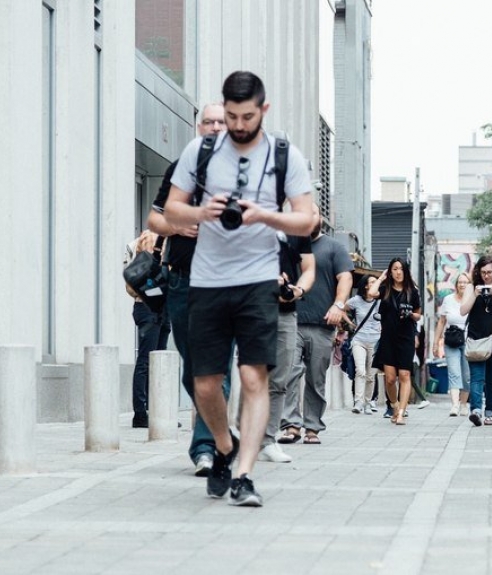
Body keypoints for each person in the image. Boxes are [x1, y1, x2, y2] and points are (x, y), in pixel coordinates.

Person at [164, 71, 318, 506]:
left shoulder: (286, 155)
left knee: (253, 377)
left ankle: (244, 475)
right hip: (208, 280)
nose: (237, 125)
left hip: (257, 279)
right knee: (206, 384)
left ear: (263, 110)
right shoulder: (202, 149)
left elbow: (307, 220)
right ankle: (224, 447)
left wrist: (264, 216)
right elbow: (171, 209)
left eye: (246, 116)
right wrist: (200, 212)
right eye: (230, 116)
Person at [147, 102, 229, 475]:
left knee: (217, 368)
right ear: (199, 127)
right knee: (193, 369)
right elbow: (153, 218)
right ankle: (216, 430)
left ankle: (206, 448)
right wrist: (177, 227)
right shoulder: (181, 170)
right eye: (207, 121)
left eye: (220, 122)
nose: (213, 127)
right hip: (182, 279)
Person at [280, 204, 355, 444]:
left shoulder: (334, 248)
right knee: (289, 374)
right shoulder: (287, 246)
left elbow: (345, 277)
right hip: (290, 320)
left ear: (320, 217)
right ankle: (292, 425)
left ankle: (312, 427)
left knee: (316, 378)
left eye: (312, 213)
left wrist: (339, 305)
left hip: (323, 325)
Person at [258, 229, 315, 463]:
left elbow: (309, 268)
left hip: (286, 313)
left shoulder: (295, 227)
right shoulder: (247, 218)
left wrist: (297, 290)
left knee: (280, 379)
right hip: (252, 308)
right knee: (253, 376)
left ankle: (268, 442)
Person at [123, 230, 171, 429]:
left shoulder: (152, 239)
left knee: (157, 362)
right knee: (147, 361)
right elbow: (145, 277)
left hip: (155, 306)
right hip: (149, 306)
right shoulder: (151, 240)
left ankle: (154, 412)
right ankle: (141, 414)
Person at [460, 255, 492, 426]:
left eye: (489, 272)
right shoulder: (471, 288)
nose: (486, 276)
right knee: (476, 377)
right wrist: (474, 295)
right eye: (483, 272)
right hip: (476, 339)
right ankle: (476, 410)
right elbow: (463, 311)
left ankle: (489, 412)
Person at [371, 258, 422, 424]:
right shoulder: (385, 289)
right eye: (394, 269)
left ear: (405, 271)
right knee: (390, 379)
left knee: (404, 374)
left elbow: (418, 314)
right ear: (390, 272)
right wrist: (381, 278)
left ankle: (401, 412)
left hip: (406, 337)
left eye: (401, 269)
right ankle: (394, 404)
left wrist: (411, 314)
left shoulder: (412, 292)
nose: (398, 272)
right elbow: (371, 293)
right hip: (388, 338)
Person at [434, 273, 472, 416]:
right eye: (460, 282)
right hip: (451, 340)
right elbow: (442, 322)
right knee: (454, 372)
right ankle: (455, 405)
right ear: (456, 284)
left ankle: (463, 404)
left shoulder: (472, 300)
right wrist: (436, 342)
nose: (462, 284)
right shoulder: (448, 300)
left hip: (469, 341)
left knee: (467, 376)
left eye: (465, 282)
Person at [346, 275, 382, 414]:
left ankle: (368, 402)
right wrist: (350, 323)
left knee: (371, 375)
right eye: (372, 282)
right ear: (366, 286)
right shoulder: (356, 300)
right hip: (359, 340)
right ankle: (358, 402)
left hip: (375, 341)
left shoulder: (380, 301)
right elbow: (342, 308)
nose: (375, 284)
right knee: (360, 371)